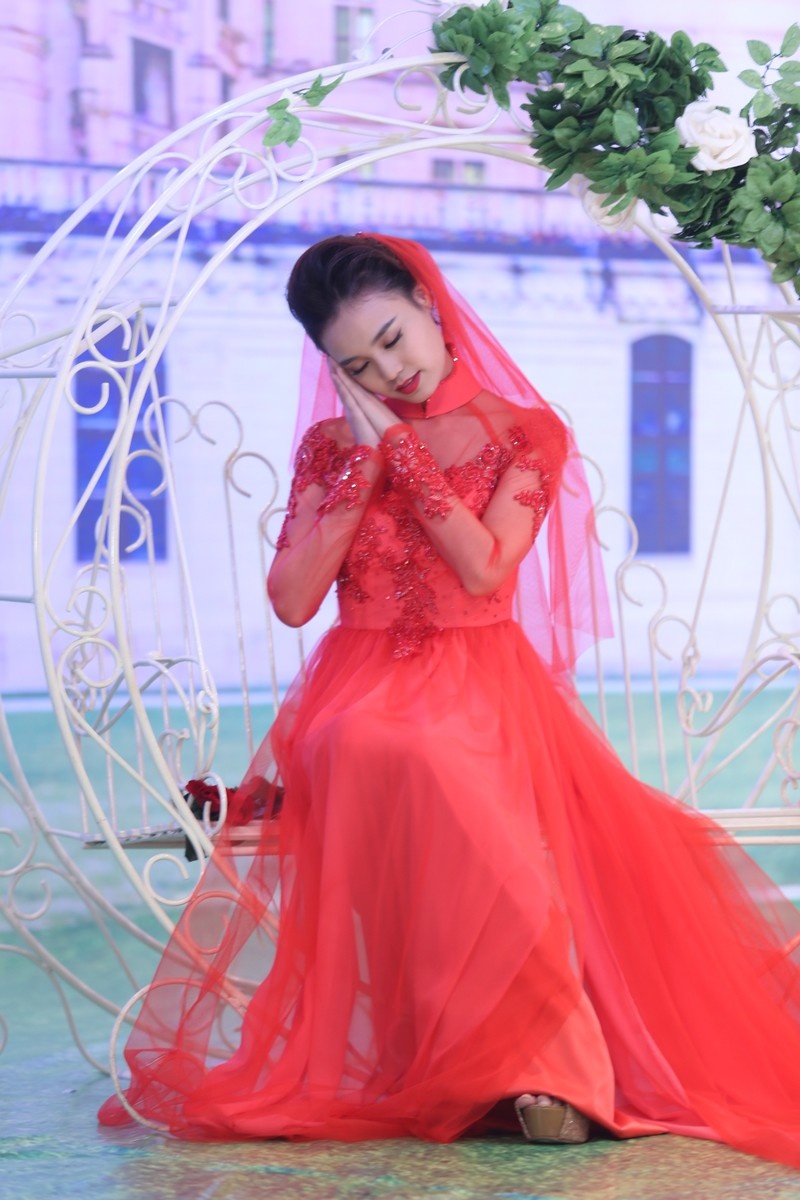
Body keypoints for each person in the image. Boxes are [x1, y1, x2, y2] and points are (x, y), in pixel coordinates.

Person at [99, 235, 800, 1166]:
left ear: (430, 303)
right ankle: (495, 1065)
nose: (388, 372)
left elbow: (485, 568)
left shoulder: (526, 433)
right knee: (380, 744)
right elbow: (295, 600)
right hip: (359, 691)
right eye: (357, 366)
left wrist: (401, 450)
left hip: (479, 683)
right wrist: (360, 464)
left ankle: (545, 1069)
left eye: (393, 339)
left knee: (448, 772)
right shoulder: (329, 448)